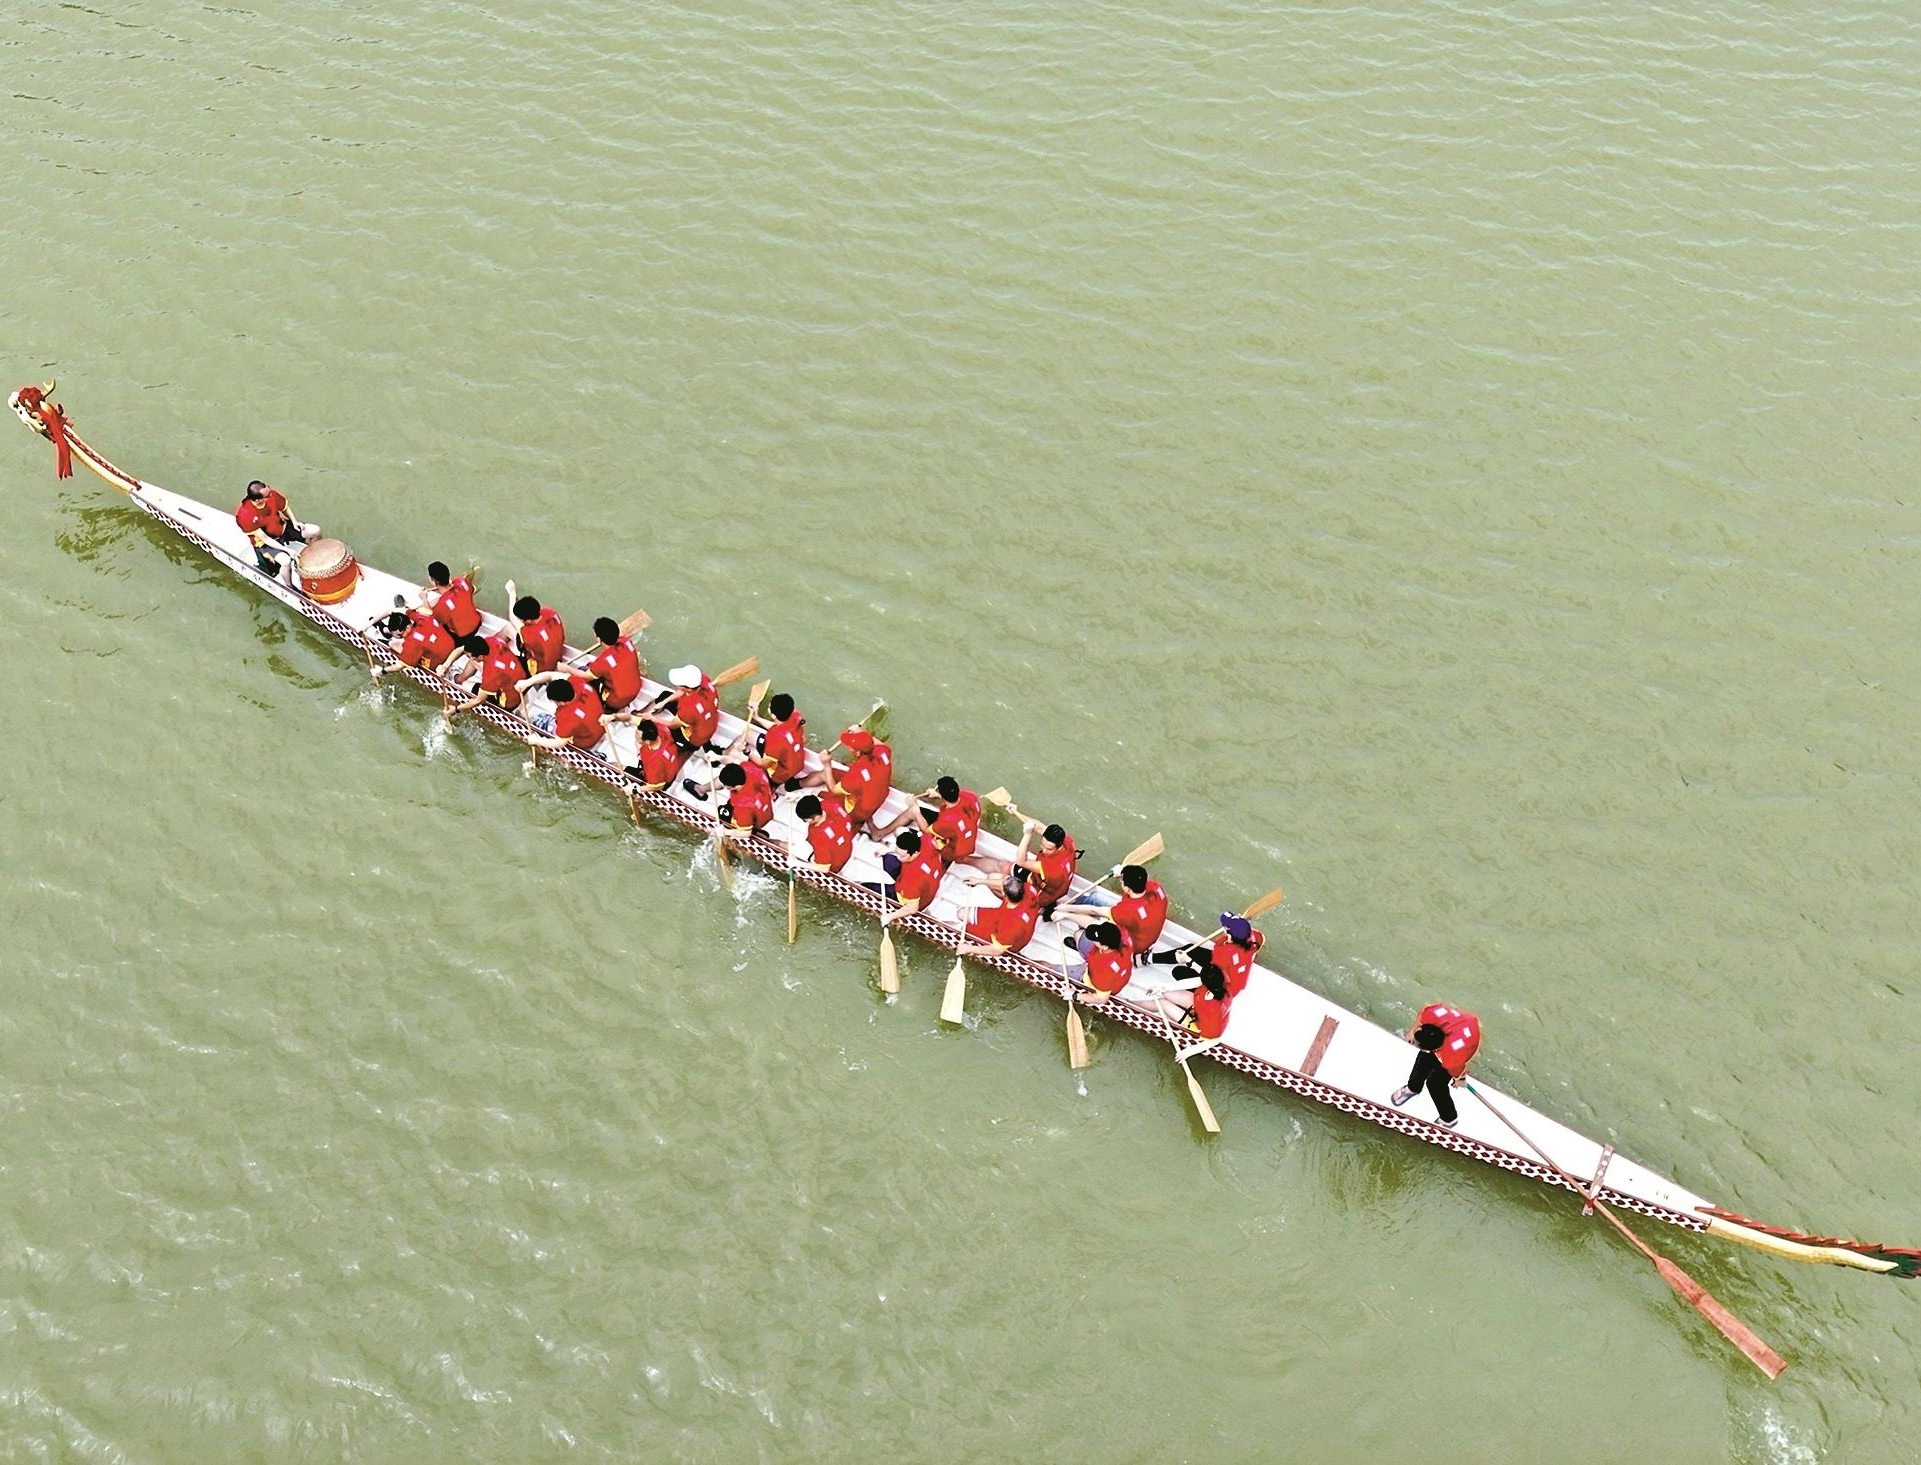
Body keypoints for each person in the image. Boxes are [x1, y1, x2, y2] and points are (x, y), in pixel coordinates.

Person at [1390, 1003, 1482, 1129]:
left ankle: (1449, 1118)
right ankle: (1413, 1087)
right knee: (1424, 1058)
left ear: (1436, 1049)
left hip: (1468, 1041)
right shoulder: (1432, 1014)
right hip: (1460, 1023)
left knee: (1435, 1083)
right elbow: (1423, 1013)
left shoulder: (1451, 1057)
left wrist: (1459, 1079)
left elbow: (1458, 1070)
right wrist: (1413, 1030)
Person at [967, 821, 1077, 917]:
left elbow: (1021, 861)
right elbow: (1037, 826)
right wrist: (1017, 812)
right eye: (1042, 845)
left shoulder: (1053, 868)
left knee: (992, 879)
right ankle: (966, 860)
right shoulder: (1067, 842)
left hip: (1039, 893)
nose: (1043, 850)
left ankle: (1025, 905)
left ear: (1058, 846)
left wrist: (1027, 834)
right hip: (1037, 878)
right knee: (1003, 866)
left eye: (1048, 849)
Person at [1058, 864, 1168, 960]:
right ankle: (1068, 905)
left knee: (1079, 935)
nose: (1120, 881)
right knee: (1096, 898)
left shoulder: (1126, 911)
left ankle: (1081, 943)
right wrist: (1122, 871)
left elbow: (1095, 911)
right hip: (1147, 932)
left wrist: (1064, 911)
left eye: (1121, 881)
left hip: (1132, 946)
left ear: (1128, 889)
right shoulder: (1156, 888)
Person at [1149, 912, 1264, 995]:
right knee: (1190, 949)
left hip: (1222, 987)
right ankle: (1150, 958)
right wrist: (1240, 922)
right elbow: (1261, 939)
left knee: (1179, 972)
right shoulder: (1254, 937)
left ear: (1229, 935)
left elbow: (1209, 976)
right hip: (1233, 975)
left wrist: (1188, 962)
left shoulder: (1224, 953)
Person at [802, 726, 893, 829]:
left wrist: (827, 764)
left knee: (825, 776)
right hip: (878, 796)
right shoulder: (883, 752)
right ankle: (798, 784)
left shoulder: (856, 774)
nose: (849, 748)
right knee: (828, 777)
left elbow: (833, 789)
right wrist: (860, 732)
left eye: (851, 747)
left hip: (859, 810)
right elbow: (872, 741)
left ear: (858, 752)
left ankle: (856, 821)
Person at [234, 480, 315, 577]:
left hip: (282, 528)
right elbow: (265, 538)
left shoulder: (271, 494)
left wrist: (294, 522)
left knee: (315, 531)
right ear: (257, 500)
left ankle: (314, 559)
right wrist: (287, 551)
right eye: (267, 496)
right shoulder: (245, 515)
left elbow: (285, 508)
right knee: (285, 561)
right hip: (266, 542)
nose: (271, 494)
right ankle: (289, 586)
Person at [957, 867, 1044, 957]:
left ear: (1005, 896)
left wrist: (969, 949)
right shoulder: (1029, 890)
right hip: (1002, 916)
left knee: (964, 927)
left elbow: (997, 950)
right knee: (961, 913)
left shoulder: (1011, 923)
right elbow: (1005, 884)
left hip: (1006, 936)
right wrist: (979, 881)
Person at [520, 670, 606, 752]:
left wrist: (536, 740)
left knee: (539, 720)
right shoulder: (581, 684)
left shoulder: (566, 717)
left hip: (584, 742)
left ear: (561, 702)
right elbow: (551, 675)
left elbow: (559, 743)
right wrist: (527, 683)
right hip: (600, 728)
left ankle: (523, 718)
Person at [1156, 954, 1232, 1046]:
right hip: (1198, 1005)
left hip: (1197, 1025)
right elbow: (1198, 978)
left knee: (1162, 1002)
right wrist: (1162, 987)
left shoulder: (1214, 1010)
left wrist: (1187, 1053)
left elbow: (1216, 1039)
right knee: (1165, 992)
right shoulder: (1220, 980)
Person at [448, 631, 526, 713]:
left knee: (465, 685)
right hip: (517, 677)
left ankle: (458, 681)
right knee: (474, 662)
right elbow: (462, 649)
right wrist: (445, 665)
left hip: (508, 701)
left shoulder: (491, 673)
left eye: (470, 657)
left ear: (481, 656)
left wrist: (456, 709)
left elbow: (479, 700)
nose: (470, 658)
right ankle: (459, 678)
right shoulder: (492, 641)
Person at [873, 829, 945, 916]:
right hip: (926, 884)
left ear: (915, 853)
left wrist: (889, 917)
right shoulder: (926, 841)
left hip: (911, 898)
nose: (898, 857)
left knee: (865, 887)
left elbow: (912, 909)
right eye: (897, 852)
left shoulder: (912, 877)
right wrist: (887, 850)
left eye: (902, 855)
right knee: (887, 859)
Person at [580, 616, 644, 712]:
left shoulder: (603, 661)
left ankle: (603, 706)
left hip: (616, 701)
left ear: (598, 639)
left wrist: (566, 669)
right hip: (635, 691)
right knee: (592, 667)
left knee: (582, 671)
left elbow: (584, 676)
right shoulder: (627, 642)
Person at [505, 582, 566, 676]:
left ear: (528, 621)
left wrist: (512, 593)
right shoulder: (550, 613)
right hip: (557, 658)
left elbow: (512, 618)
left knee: (507, 629)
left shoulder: (530, 634)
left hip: (540, 670)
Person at [752, 692, 809, 790]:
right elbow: (777, 727)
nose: (768, 708)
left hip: (780, 775)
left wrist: (746, 751)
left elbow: (763, 764)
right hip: (798, 764)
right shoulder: (796, 716)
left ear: (773, 716)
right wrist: (756, 717)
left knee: (749, 735)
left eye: (769, 707)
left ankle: (772, 784)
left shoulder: (776, 738)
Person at [1070, 921, 1135, 1006]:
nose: (1093, 940)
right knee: (1078, 934)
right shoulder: (1122, 934)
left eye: (1095, 940)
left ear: (1105, 947)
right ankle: (1081, 949)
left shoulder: (1104, 970)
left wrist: (1075, 996)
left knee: (1050, 967)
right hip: (1104, 965)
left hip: (1097, 979)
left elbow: (1102, 999)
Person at [792, 793, 854, 873]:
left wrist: (796, 863)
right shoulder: (832, 805)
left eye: (805, 820)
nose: (805, 822)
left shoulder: (819, 836)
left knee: (784, 846)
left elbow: (824, 868)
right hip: (846, 850)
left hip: (834, 865)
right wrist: (797, 797)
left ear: (814, 818)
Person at [623, 715, 687, 790]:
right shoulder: (662, 730)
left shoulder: (654, 762)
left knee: (615, 765)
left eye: (637, 735)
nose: (635, 735)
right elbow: (637, 720)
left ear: (647, 741)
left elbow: (657, 787)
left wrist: (635, 790)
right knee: (638, 744)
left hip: (659, 781)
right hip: (669, 769)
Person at [663, 665, 721, 749]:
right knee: (665, 696)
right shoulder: (704, 680)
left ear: (689, 689)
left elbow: (672, 725)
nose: (676, 686)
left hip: (695, 739)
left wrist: (650, 718)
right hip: (710, 723)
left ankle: (683, 747)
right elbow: (682, 693)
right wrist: (664, 702)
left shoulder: (689, 707)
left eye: (679, 685)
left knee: (667, 731)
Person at [714, 759, 775, 834]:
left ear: (729, 787)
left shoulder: (742, 806)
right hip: (766, 810)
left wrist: (725, 832)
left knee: (722, 814)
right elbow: (733, 765)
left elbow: (746, 833)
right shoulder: (748, 767)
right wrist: (719, 757)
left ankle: (755, 832)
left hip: (755, 819)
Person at [424, 562, 482, 640]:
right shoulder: (461, 581)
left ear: (434, 581)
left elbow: (433, 620)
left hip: (463, 636)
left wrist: (424, 597)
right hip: (478, 623)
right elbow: (468, 589)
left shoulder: (442, 605)